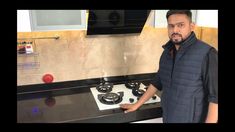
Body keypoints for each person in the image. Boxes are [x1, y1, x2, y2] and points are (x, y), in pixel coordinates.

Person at [120, 10, 218, 123]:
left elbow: (215, 98)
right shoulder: (167, 53)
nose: (175, 30)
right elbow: (157, 82)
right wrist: (137, 104)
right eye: (171, 26)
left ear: (191, 26)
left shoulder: (207, 54)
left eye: (181, 25)